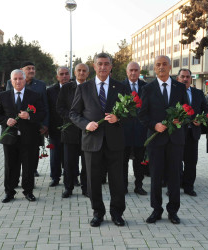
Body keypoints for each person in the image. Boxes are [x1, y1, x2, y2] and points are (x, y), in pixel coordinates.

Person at [70, 53, 128, 227]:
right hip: (92, 142)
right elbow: (73, 113)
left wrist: (118, 118)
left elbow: (131, 113)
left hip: (114, 142)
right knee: (93, 180)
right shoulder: (83, 88)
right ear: (94, 67)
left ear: (111, 67)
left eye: (106, 64)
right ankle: (98, 213)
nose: (103, 67)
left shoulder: (121, 87)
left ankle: (117, 213)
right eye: (99, 64)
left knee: (117, 180)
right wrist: (86, 125)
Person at [138, 55, 187, 224]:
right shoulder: (148, 89)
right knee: (156, 177)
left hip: (175, 140)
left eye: (164, 64)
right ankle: (156, 210)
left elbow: (187, 111)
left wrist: (181, 120)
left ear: (169, 67)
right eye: (158, 64)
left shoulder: (180, 87)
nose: (161, 67)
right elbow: (142, 115)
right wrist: (154, 125)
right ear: (154, 68)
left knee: (174, 176)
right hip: (156, 139)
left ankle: (173, 211)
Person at [0, 69, 45, 203]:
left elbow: (42, 113)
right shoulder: (4, 96)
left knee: (28, 166)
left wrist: (30, 116)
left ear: (24, 80)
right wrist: (5, 121)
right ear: (11, 81)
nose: (18, 81)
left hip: (29, 138)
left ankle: (28, 192)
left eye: (20, 79)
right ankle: (9, 192)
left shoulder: (34, 95)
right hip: (10, 138)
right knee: (10, 166)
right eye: (15, 79)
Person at [6, 61, 49, 178]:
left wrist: (45, 124)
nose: (31, 71)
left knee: (34, 150)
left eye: (33, 68)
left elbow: (45, 106)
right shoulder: (11, 82)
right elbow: (8, 104)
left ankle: (32, 170)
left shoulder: (40, 85)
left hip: (35, 124)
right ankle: (17, 174)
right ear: (22, 70)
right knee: (15, 153)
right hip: (16, 126)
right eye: (28, 68)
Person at [56, 64, 89, 198]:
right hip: (70, 130)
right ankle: (68, 188)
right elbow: (60, 107)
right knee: (69, 162)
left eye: (84, 71)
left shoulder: (91, 87)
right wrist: (72, 118)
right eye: (79, 70)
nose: (81, 73)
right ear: (74, 73)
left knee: (87, 163)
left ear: (88, 73)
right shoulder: (66, 88)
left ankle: (86, 188)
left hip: (88, 131)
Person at [177, 69, 208, 196]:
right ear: (178, 78)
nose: (185, 79)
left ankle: (189, 186)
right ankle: (175, 185)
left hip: (192, 133)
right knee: (176, 161)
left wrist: (201, 120)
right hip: (177, 133)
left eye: (188, 77)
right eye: (183, 77)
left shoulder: (198, 93)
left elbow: (206, 110)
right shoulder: (173, 93)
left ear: (191, 79)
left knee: (191, 161)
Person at [122, 62, 148, 195]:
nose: (133, 73)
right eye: (131, 70)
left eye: (136, 70)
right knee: (123, 161)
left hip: (141, 131)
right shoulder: (120, 86)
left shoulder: (146, 87)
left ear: (139, 72)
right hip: (124, 131)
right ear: (127, 72)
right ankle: (124, 186)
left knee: (139, 161)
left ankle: (139, 185)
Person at [46, 67, 67, 188]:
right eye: (61, 74)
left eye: (66, 74)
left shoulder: (75, 88)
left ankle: (72, 176)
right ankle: (55, 177)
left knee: (70, 154)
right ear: (57, 77)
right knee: (55, 154)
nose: (64, 76)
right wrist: (46, 126)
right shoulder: (50, 91)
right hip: (55, 128)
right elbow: (47, 109)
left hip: (71, 128)